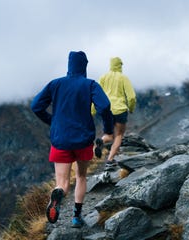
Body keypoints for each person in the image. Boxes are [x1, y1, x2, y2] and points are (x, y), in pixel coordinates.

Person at [31, 51, 114, 228]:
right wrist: (108, 130)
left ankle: (58, 195)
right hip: (83, 140)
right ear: (84, 65)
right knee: (81, 176)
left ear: (69, 65)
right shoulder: (90, 84)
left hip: (60, 139)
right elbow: (105, 106)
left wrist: (52, 121)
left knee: (61, 182)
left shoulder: (55, 84)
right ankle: (76, 217)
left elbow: (35, 106)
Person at [94, 57, 136, 170]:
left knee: (109, 135)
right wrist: (131, 109)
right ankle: (110, 160)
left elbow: (95, 95)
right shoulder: (123, 78)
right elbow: (131, 97)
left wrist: (92, 111)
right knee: (119, 135)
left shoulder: (103, 78)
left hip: (107, 110)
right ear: (120, 65)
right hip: (120, 110)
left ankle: (101, 141)